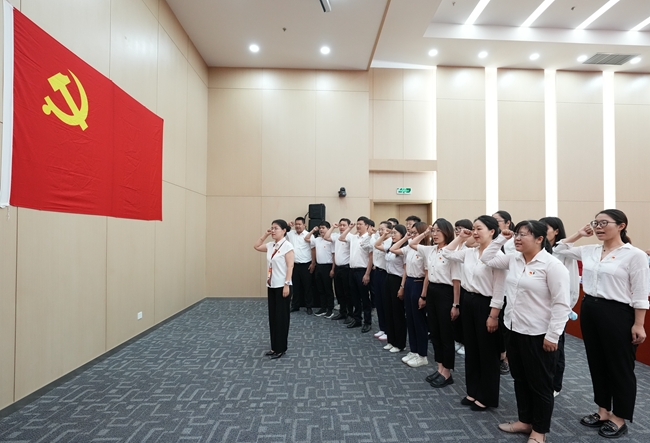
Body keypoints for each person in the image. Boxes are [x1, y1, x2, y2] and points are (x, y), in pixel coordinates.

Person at [554, 209, 649, 439]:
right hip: (590, 309)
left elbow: (640, 292)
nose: (598, 227)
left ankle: (619, 417)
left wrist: (639, 324)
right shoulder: (590, 250)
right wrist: (579, 233)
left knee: (620, 366)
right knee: (597, 363)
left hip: (618, 313)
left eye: (604, 223)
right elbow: (558, 249)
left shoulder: (634, 255)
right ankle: (603, 410)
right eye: (595, 223)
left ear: (621, 225)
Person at [480, 220, 571, 443]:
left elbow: (561, 304)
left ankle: (539, 431)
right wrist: (500, 238)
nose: (517, 238)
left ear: (540, 239)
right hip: (513, 329)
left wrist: (553, 335)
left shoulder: (552, 265)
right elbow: (486, 257)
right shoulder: (514, 259)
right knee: (520, 378)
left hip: (539, 334)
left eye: (524, 235)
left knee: (540, 384)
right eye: (517, 234)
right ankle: (524, 420)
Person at [442, 215, 505, 411]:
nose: (475, 233)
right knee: (471, 349)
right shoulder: (469, 252)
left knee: (487, 352)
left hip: (486, 305)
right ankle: (473, 391)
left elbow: (499, 289)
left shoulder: (498, 256)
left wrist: (493, 315)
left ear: (492, 231)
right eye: (474, 229)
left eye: (479, 229)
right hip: (468, 301)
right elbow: (446, 252)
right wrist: (461, 237)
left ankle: (487, 396)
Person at [409, 218, 460, 388]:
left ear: (447, 232)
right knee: (435, 333)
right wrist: (425, 231)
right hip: (432, 291)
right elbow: (412, 243)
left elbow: (456, 282)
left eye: (439, 230)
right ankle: (439, 368)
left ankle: (447, 372)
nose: (435, 234)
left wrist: (455, 305)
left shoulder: (452, 252)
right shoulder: (430, 250)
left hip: (446, 293)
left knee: (446, 334)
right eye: (434, 230)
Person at [539, 216, 580, 397]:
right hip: (538, 308)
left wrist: (567, 308)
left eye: (545, 228)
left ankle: (555, 384)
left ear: (556, 231)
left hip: (558, 309)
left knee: (556, 346)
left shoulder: (565, 253)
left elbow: (572, 285)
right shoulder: (538, 251)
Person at [253, 219, 295, 359]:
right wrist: (265, 234)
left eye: (276, 228)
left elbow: (290, 266)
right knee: (273, 317)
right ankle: (274, 347)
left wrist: (287, 284)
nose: (273, 230)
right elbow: (256, 246)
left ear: (284, 230)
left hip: (282, 286)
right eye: (272, 228)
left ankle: (281, 348)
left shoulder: (287, 246)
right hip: (271, 285)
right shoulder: (271, 245)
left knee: (281, 318)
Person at [390, 221, 430, 368]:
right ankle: (414, 350)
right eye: (411, 233)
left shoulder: (426, 250)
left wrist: (423, 295)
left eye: (415, 233)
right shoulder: (409, 248)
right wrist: (406, 238)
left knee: (419, 321)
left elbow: (427, 274)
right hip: (409, 283)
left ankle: (422, 355)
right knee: (411, 319)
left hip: (419, 284)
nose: (412, 235)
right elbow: (393, 249)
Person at [375, 224, 408, 353]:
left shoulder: (404, 250)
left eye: (395, 233)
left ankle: (400, 344)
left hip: (398, 280)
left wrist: (402, 287)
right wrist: (384, 234)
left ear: (402, 235)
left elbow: (405, 270)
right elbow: (377, 245)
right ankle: (391, 340)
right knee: (388, 310)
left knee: (397, 313)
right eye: (392, 233)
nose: (392, 235)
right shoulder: (390, 247)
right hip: (388, 278)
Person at [338, 217, 374, 332]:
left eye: (360, 224)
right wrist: (350, 227)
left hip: (362, 271)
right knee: (354, 297)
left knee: (364, 298)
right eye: (357, 224)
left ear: (367, 226)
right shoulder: (353, 237)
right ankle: (357, 319)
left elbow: (371, 258)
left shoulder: (370, 238)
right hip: (352, 270)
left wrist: (367, 274)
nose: (358, 226)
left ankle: (367, 322)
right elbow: (341, 237)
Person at [493, 210, 515, 375]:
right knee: (496, 326)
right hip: (495, 289)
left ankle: (506, 358)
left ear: (508, 223)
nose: (495, 224)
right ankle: (500, 353)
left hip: (509, 291)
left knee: (505, 326)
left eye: (498, 221)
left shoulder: (514, 242)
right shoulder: (493, 241)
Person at [452, 218, 475, 356]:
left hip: (465, 284)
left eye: (461, 228)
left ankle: (466, 342)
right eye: (456, 229)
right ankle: (458, 339)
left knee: (465, 316)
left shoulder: (470, 246)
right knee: (456, 315)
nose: (458, 231)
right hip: (454, 283)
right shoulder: (455, 245)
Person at [305, 221, 336, 318]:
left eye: (323, 228)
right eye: (320, 228)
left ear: (328, 229)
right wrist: (313, 231)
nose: (321, 230)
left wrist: (333, 269)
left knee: (328, 289)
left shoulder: (331, 240)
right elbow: (306, 238)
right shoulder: (317, 239)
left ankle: (330, 309)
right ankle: (323, 308)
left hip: (328, 266)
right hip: (319, 266)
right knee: (320, 289)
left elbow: (334, 255)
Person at [324, 219, 352, 321]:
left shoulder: (350, 237)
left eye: (344, 225)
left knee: (347, 292)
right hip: (337, 268)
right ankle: (342, 312)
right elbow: (326, 237)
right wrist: (332, 227)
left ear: (348, 226)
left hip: (346, 268)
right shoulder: (336, 236)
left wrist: (349, 229)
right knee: (339, 292)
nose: (341, 227)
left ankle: (350, 314)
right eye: (340, 225)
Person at [287, 217, 316, 314]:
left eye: (300, 224)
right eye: (296, 224)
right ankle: (295, 305)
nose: (297, 226)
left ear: (304, 225)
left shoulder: (309, 235)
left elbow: (313, 249)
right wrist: (287, 225)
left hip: (306, 264)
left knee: (307, 286)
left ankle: (309, 306)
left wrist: (313, 263)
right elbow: (282, 232)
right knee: (295, 286)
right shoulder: (290, 234)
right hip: (294, 265)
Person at [370, 221, 393, 340]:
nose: (380, 231)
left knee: (385, 303)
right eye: (379, 229)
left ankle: (388, 330)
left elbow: (377, 245)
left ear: (389, 230)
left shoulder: (390, 241)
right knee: (378, 301)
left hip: (385, 273)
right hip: (377, 272)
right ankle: (382, 328)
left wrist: (384, 235)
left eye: (382, 229)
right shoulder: (379, 239)